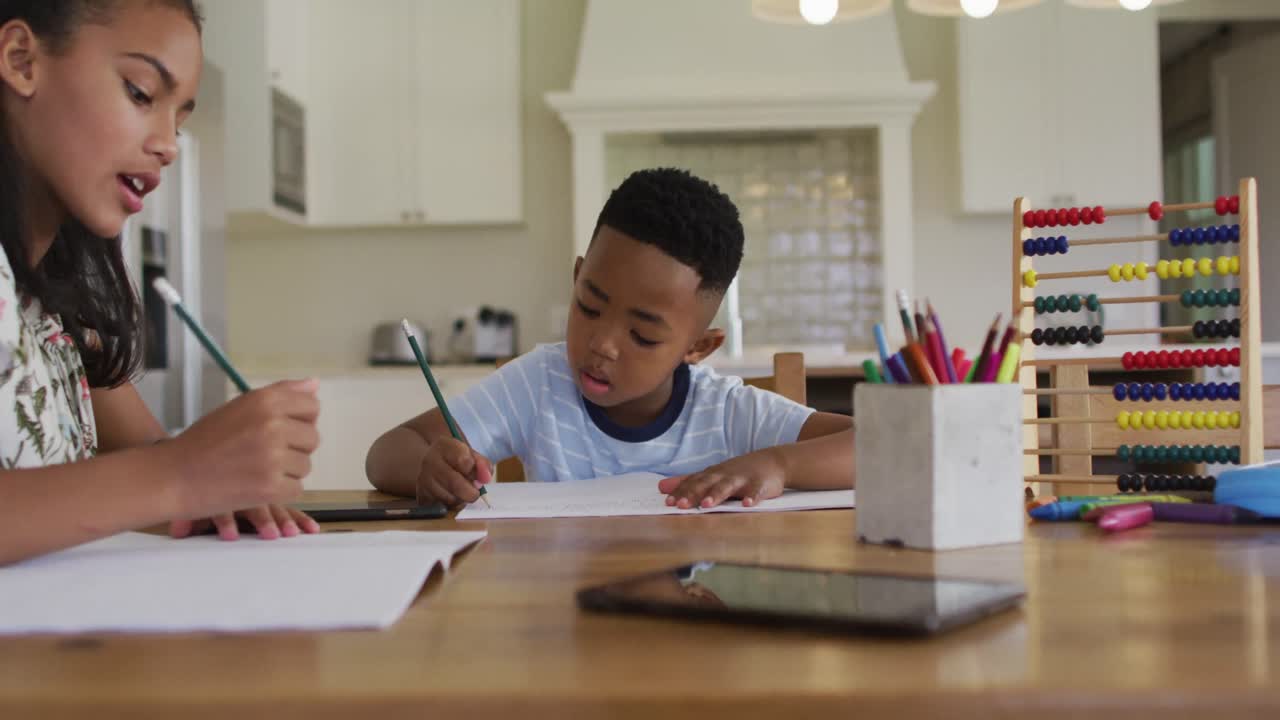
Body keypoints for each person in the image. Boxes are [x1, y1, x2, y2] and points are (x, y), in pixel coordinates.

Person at [0, 0, 322, 567]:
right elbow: (162, 473)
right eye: (141, 93)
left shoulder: (53, 315)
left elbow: (148, 467)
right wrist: (181, 475)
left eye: (180, 120)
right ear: (22, 59)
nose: (169, 146)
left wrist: (217, 485)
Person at [367, 168, 854, 509]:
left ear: (698, 348)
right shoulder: (539, 384)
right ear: (578, 277)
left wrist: (779, 465)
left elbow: (885, 448)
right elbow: (389, 450)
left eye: (642, 335)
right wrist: (428, 469)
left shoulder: (727, 414)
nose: (602, 345)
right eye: (589, 306)